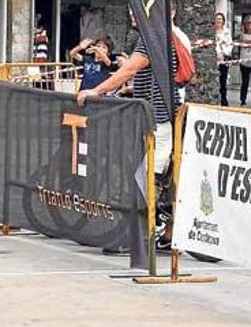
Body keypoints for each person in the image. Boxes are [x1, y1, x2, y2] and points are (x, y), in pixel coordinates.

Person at [77, 22, 180, 249]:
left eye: (136, 9)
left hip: (160, 120)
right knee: (151, 176)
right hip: (154, 117)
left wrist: (96, 91)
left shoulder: (153, 35)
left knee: (146, 177)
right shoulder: (161, 35)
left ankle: (141, 235)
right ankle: (162, 231)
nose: (132, 14)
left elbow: (130, 70)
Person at [214, 12, 234, 106]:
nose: (218, 21)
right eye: (217, 19)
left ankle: (223, 99)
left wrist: (225, 54)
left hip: (224, 58)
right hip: (215, 57)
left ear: (223, 21)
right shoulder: (212, 32)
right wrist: (217, 53)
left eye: (220, 19)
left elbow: (230, 44)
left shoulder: (227, 32)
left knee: (223, 79)